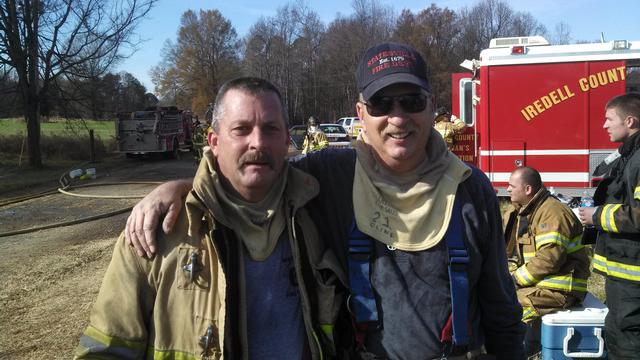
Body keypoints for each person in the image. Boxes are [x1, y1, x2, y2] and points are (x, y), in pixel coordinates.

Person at [125, 42, 526, 359]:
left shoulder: (470, 189)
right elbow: (250, 169)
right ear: (360, 114)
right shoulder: (331, 175)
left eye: (412, 101)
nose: (398, 117)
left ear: (431, 107)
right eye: (382, 104)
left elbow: (500, 306)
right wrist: (180, 188)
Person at [75, 77, 346, 359]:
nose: (258, 143)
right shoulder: (155, 231)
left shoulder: (314, 211)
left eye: (270, 129)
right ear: (214, 142)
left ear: (287, 140)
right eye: (241, 129)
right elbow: (107, 349)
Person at [503, 166, 591, 356]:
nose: (507, 189)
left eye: (511, 186)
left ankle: (516, 353)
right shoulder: (527, 211)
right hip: (542, 284)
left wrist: (513, 281)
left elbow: (548, 260)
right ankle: (527, 350)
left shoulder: (552, 214)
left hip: (561, 289)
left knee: (507, 305)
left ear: (528, 190)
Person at [578, 92, 640, 360]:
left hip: (633, 274)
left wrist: (597, 215)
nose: (604, 125)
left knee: (627, 338)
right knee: (618, 331)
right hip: (624, 271)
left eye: (609, 119)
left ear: (629, 120)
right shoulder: (629, 156)